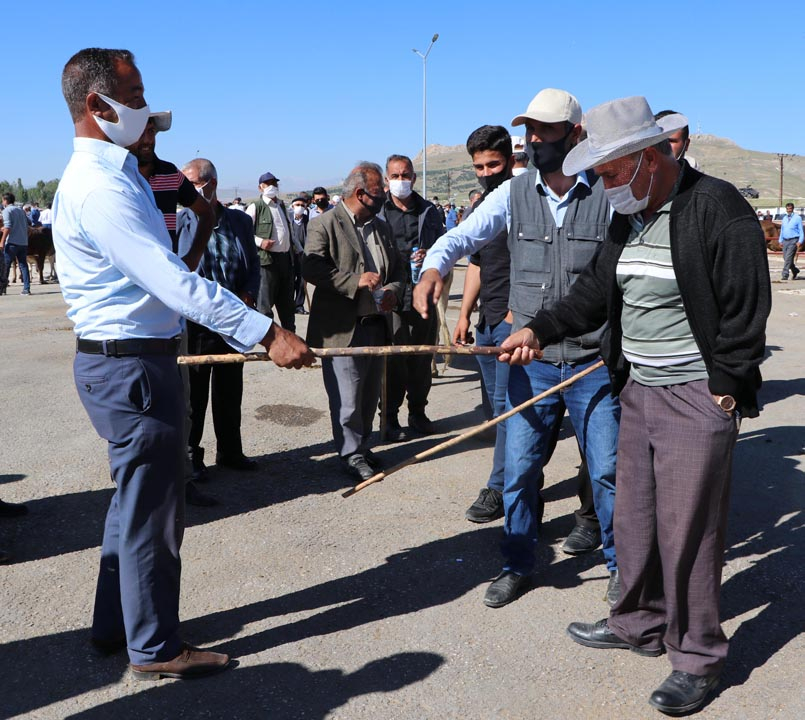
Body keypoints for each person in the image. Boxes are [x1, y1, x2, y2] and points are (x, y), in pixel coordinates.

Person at [500, 96, 770, 715]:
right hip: (639, 392)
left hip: (696, 397)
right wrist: (538, 330)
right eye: (599, 172)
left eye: (613, 171)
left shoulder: (717, 208)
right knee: (635, 517)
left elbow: (745, 313)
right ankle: (637, 624)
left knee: (688, 533)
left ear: (649, 158)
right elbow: (597, 289)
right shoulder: (632, 211)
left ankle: (697, 655)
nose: (604, 184)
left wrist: (724, 389)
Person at [53, 47, 313, 681]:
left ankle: (118, 627)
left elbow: (173, 260)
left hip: (132, 363)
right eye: (135, 95)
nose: (145, 110)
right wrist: (265, 333)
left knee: (131, 507)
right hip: (134, 370)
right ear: (97, 104)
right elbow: (171, 280)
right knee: (152, 517)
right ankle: (156, 647)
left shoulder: (118, 176)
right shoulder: (100, 185)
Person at [414, 88, 619, 609]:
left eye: (545, 130)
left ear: (575, 135)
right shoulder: (513, 193)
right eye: (530, 129)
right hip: (531, 360)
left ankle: (623, 569)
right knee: (522, 468)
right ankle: (517, 562)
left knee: (607, 470)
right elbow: (462, 237)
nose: (533, 139)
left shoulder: (611, 196)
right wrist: (434, 268)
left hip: (593, 363)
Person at [129, 111, 217, 506]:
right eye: (143, 127)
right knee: (133, 403)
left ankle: (181, 480)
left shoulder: (169, 175)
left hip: (168, 301)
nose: (149, 136)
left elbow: (205, 212)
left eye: (153, 129)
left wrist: (191, 259)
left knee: (178, 395)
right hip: (126, 308)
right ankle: (143, 487)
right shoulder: (116, 174)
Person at [303, 162, 404, 481]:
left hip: (377, 324)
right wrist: (354, 281)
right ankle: (350, 454)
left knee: (369, 394)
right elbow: (311, 268)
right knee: (347, 398)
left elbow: (400, 272)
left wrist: (393, 291)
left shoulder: (382, 227)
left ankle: (362, 445)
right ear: (361, 194)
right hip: (342, 330)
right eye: (378, 194)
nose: (384, 200)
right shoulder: (324, 224)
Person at [178, 157, 262, 475]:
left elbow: (253, 266)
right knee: (194, 394)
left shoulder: (239, 222)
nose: (185, 190)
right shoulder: (181, 221)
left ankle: (230, 452)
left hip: (234, 320)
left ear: (210, 184)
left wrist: (249, 295)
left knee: (230, 389)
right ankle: (191, 457)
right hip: (197, 322)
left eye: (192, 184)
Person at [378, 154, 446, 440]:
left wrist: (430, 254)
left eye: (405, 175)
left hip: (423, 296)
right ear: (386, 180)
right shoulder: (378, 213)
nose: (400, 181)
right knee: (393, 360)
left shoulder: (429, 211)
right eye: (395, 176)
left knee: (421, 357)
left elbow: (445, 246)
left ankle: (417, 412)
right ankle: (389, 418)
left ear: (414, 178)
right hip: (390, 297)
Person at [246, 171, 297, 332]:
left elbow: (289, 232)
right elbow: (245, 232)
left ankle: (290, 335)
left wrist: (299, 251)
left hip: (285, 260)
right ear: (260, 188)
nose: (272, 187)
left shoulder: (282, 206)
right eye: (268, 184)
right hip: (267, 261)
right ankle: (270, 338)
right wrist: (261, 242)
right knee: (265, 303)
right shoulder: (256, 207)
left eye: (274, 183)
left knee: (287, 303)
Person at [1, 193, 31, 295]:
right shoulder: (20, 210)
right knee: (23, 265)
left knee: (6, 265)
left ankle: (3, 288)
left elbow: (8, 226)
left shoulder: (6, 211)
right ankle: (26, 288)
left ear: (5, 200)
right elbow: (26, 224)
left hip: (12, 242)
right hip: (23, 242)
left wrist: (2, 241)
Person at [289, 195, 309, 313]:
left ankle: (299, 305)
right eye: (297, 205)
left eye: (302, 205)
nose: (300, 207)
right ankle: (289, 304)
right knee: (290, 280)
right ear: (292, 206)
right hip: (290, 255)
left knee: (302, 282)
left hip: (303, 255)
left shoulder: (307, 220)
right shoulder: (288, 219)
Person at [780, 202, 803, 280]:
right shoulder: (784, 218)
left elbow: (801, 230)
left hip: (793, 240)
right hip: (785, 240)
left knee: (788, 257)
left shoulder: (797, 218)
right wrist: (780, 240)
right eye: (787, 209)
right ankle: (795, 270)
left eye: (790, 208)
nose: (789, 210)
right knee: (786, 258)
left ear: (793, 209)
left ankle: (785, 274)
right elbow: (782, 230)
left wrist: (800, 241)